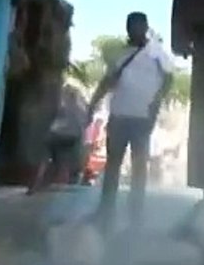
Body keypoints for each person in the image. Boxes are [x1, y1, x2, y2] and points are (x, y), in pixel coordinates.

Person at [87, 12, 174, 230]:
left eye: (136, 25)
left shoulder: (157, 52)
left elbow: (169, 78)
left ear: (145, 27)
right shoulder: (121, 54)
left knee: (138, 168)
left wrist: (157, 101)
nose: (132, 30)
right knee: (113, 165)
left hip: (142, 119)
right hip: (118, 115)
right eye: (129, 26)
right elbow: (107, 81)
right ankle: (105, 211)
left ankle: (136, 215)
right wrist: (92, 104)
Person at [30, 82, 89, 193]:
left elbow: (55, 123)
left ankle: (37, 182)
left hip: (55, 136)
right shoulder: (81, 109)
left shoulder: (62, 107)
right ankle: (61, 187)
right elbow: (83, 126)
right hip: (70, 139)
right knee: (64, 163)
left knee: (45, 158)